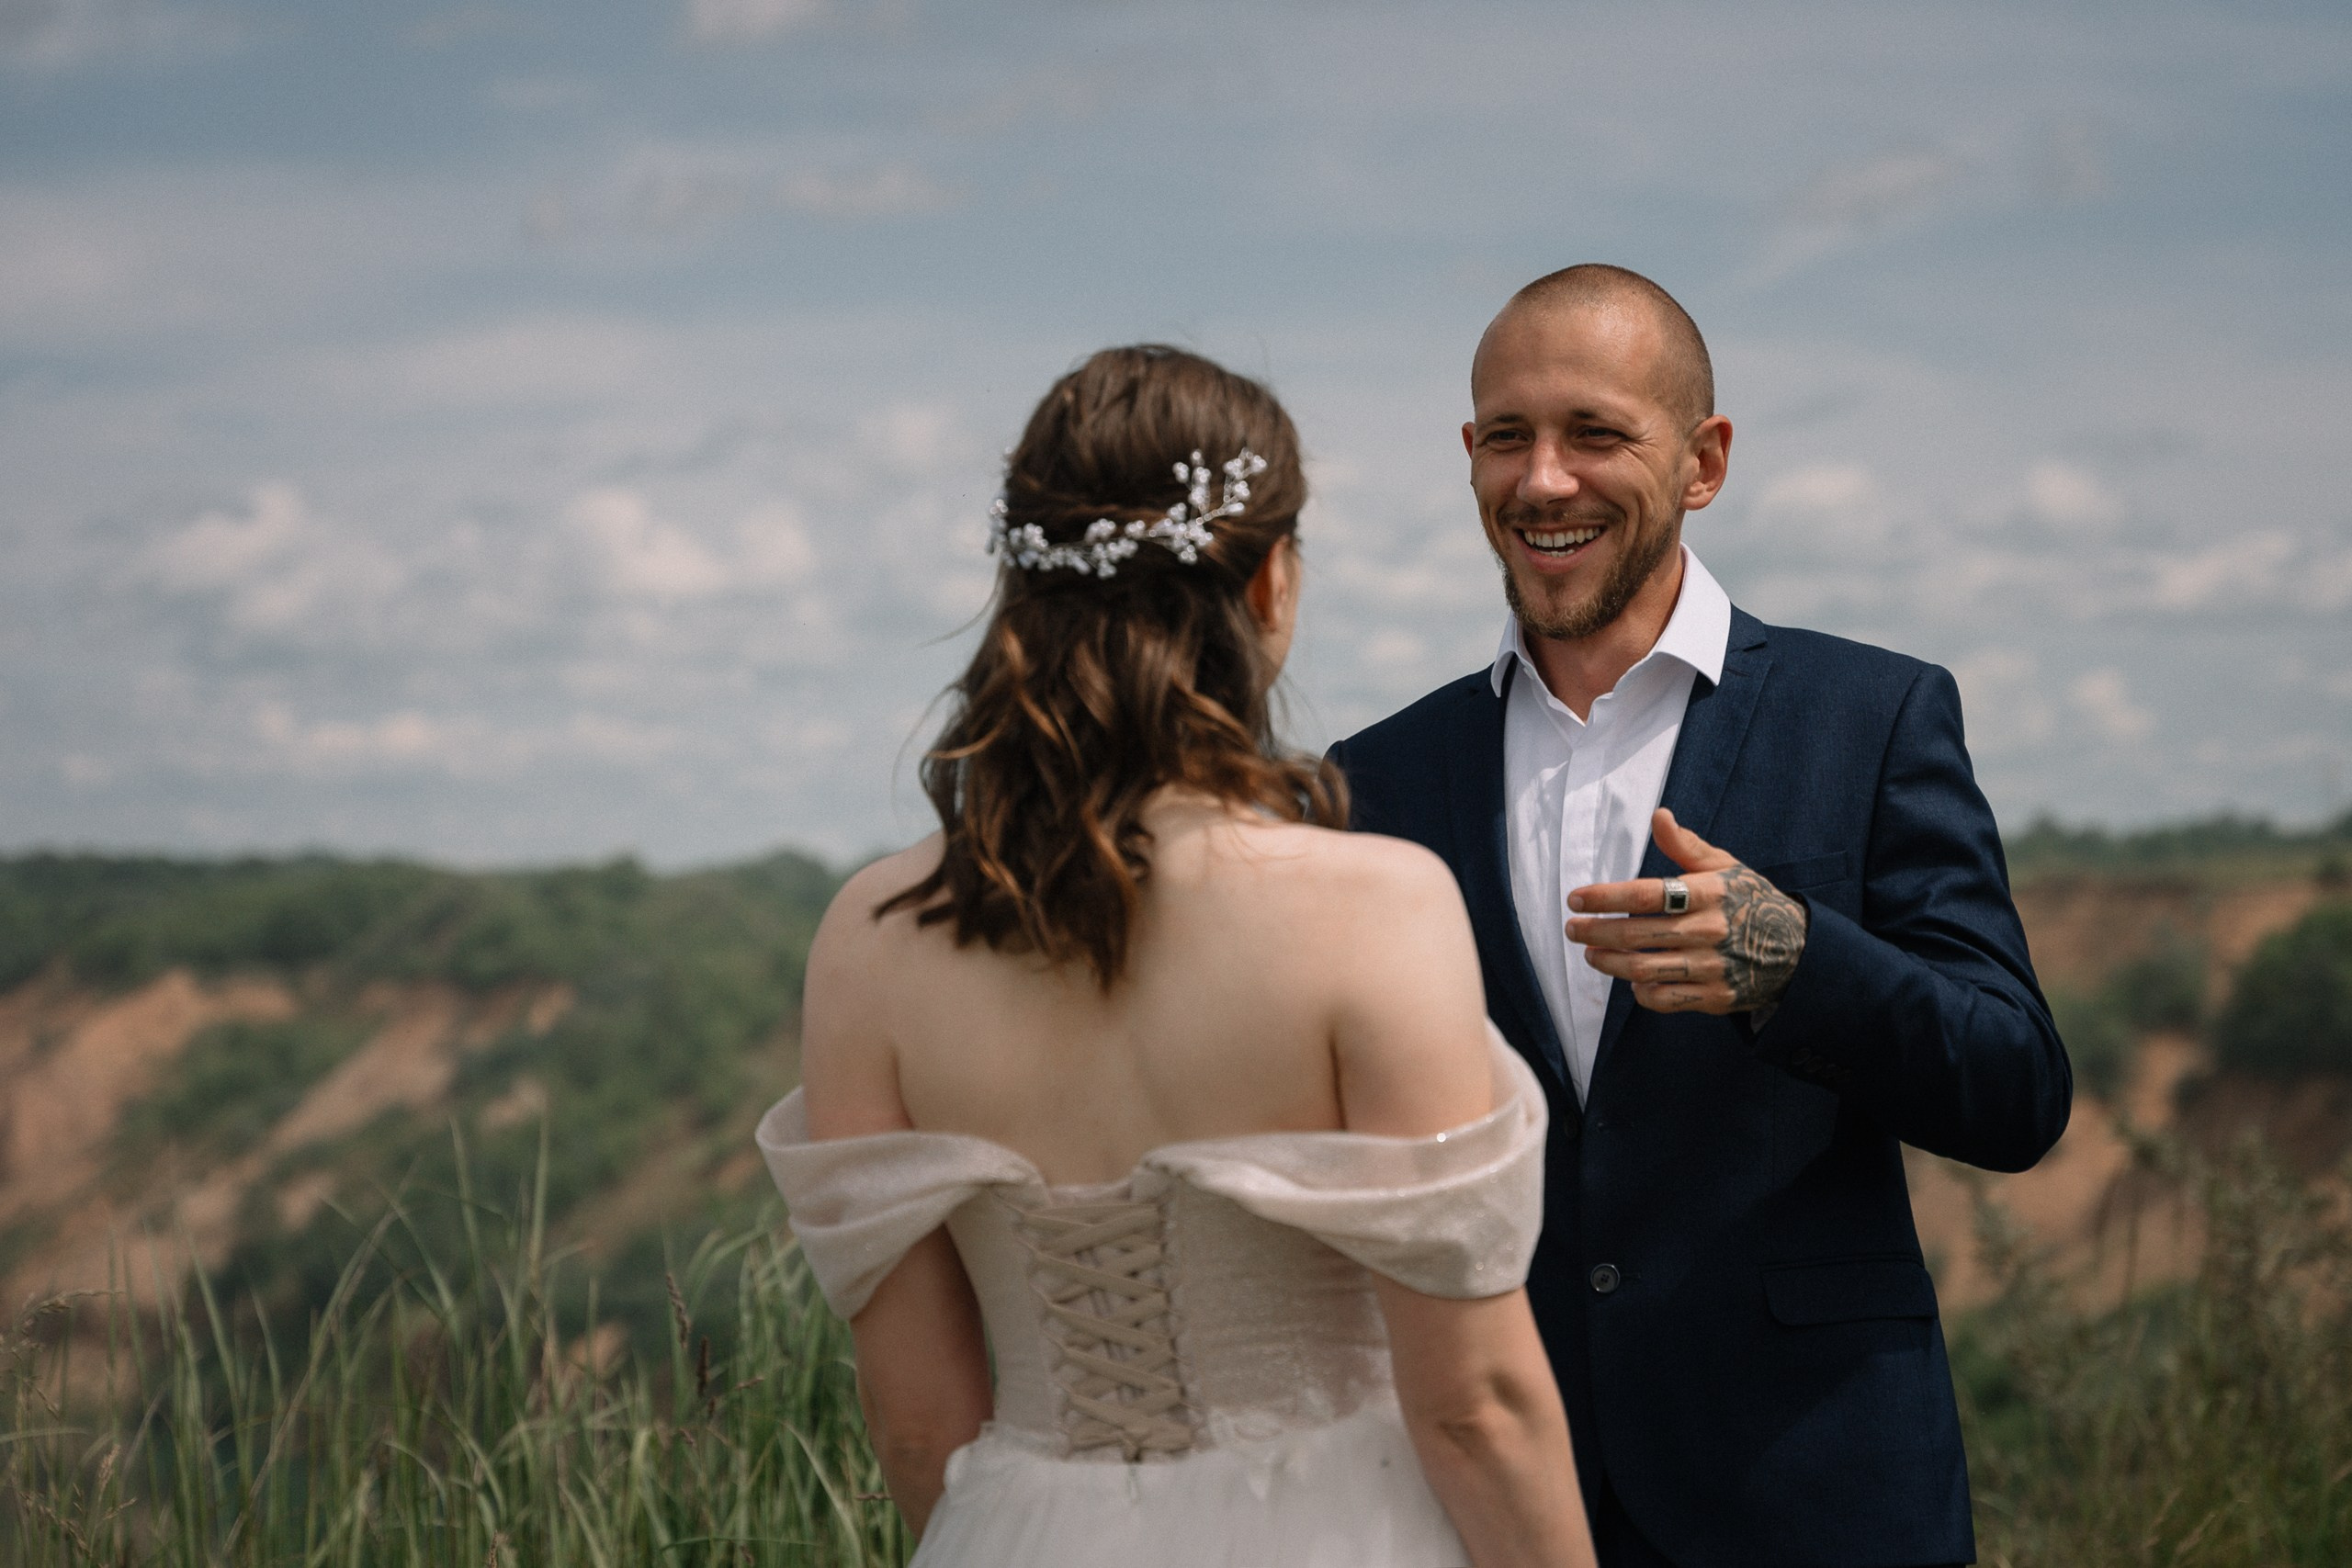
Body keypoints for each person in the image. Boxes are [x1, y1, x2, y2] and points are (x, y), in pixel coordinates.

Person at [759, 344, 1598, 1567]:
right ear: (1267, 584)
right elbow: (1475, 1408)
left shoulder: (871, 942)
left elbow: (918, 1419)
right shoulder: (1377, 909)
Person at [1328, 266, 2072, 1568]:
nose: (1543, 480)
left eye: (1596, 433)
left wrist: (1799, 963)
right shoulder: (1371, 779)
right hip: (1490, 1503)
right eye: (1508, 436)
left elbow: (2016, 1090)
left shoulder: (1873, 717)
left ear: (1704, 460)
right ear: (1469, 457)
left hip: (1815, 1498)